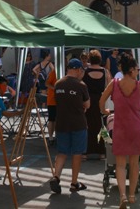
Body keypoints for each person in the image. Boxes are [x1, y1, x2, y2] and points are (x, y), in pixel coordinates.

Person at [99, 54, 140, 209]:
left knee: (120, 164)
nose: (138, 72)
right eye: (137, 69)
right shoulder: (139, 85)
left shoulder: (114, 83)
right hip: (136, 127)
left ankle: (123, 196)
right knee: (134, 164)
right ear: (131, 69)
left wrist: (106, 111)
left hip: (120, 126)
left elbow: (101, 100)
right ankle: (132, 195)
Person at [49, 58, 90, 194]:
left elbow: (57, 101)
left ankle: (56, 176)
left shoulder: (58, 84)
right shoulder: (81, 85)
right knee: (77, 153)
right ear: (78, 70)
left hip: (61, 122)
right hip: (78, 122)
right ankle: (74, 183)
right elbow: (87, 104)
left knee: (62, 152)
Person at [83, 49, 110, 158]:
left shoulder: (84, 71)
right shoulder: (105, 72)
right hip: (101, 100)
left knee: (87, 125)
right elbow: (108, 86)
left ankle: (85, 152)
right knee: (102, 125)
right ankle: (102, 152)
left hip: (87, 100)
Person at [34, 49, 57, 143]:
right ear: (47, 55)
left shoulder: (40, 63)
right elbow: (53, 70)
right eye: (49, 55)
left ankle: (43, 108)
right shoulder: (50, 64)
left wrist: (38, 74)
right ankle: (52, 136)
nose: (50, 57)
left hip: (43, 82)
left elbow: (34, 69)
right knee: (52, 117)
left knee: (44, 98)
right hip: (51, 85)